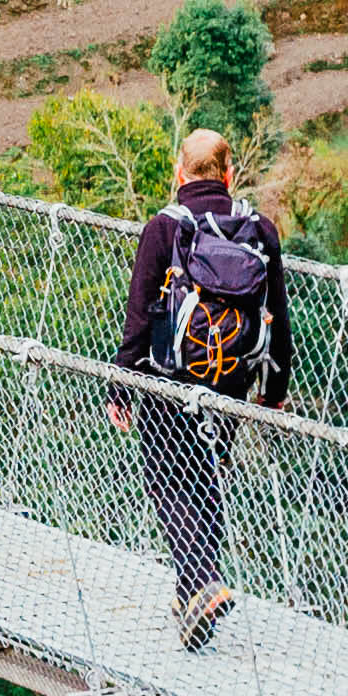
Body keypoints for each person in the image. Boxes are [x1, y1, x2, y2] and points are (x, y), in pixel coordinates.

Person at [111, 127, 293, 648]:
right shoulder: (259, 228)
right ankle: (194, 598)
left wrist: (121, 384)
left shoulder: (164, 227)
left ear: (179, 173)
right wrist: (273, 389)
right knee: (205, 477)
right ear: (228, 174)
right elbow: (278, 318)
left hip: (169, 380)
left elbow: (140, 316)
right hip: (232, 378)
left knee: (168, 482)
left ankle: (201, 583)